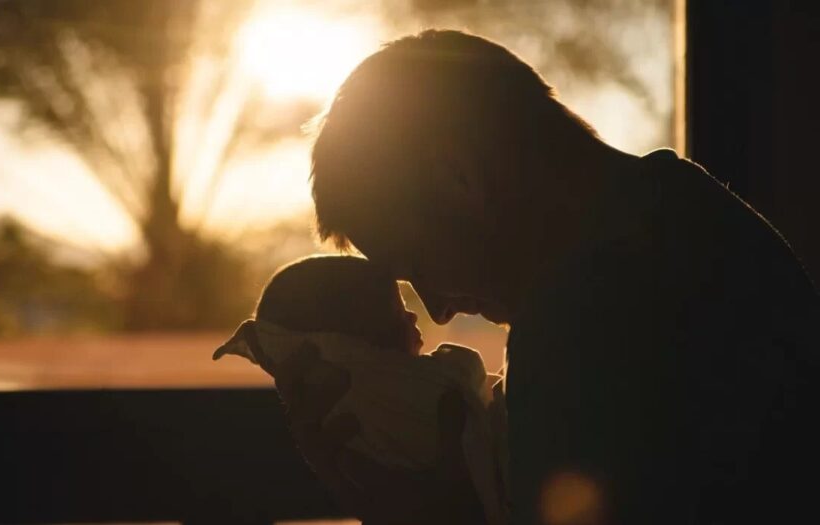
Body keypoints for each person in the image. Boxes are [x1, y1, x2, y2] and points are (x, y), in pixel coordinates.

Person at [278, 29, 820, 524]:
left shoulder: (583, 318)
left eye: (416, 265)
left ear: (459, 178)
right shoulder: (694, 217)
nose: (437, 309)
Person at [213, 255, 509, 524]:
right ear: (354, 347)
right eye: (396, 314)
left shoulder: (341, 421)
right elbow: (470, 380)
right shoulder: (402, 391)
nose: (419, 315)